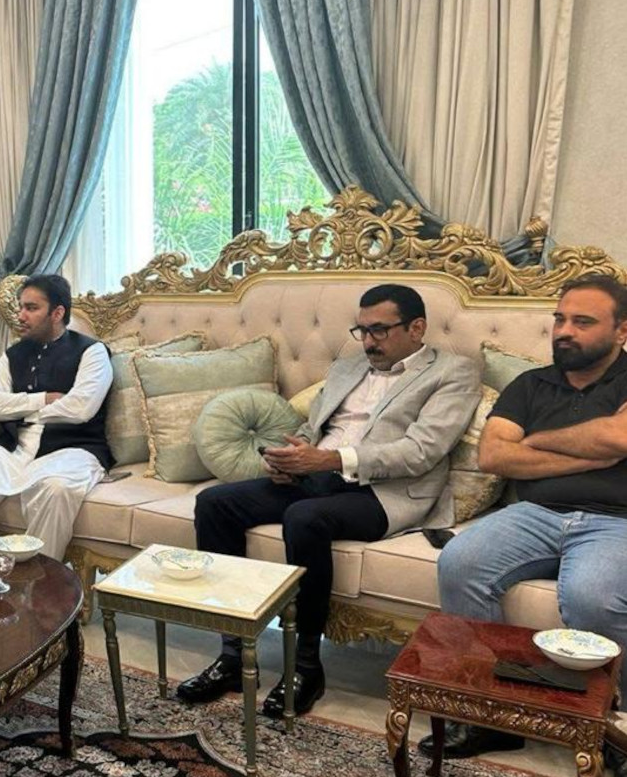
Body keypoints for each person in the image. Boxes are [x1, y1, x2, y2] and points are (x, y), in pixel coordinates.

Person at [176, 284, 479, 718]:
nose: (368, 341)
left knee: (305, 517)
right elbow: (315, 427)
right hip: (317, 475)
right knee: (214, 503)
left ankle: (306, 665)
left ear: (417, 328)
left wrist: (331, 459)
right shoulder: (348, 367)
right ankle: (232, 655)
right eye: (362, 330)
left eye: (379, 330)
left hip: (386, 492)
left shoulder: (452, 372)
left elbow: (422, 451)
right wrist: (291, 457)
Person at [423, 274, 627, 771]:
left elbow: (620, 439)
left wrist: (534, 441)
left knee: (591, 597)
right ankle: (490, 714)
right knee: (460, 562)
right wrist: (592, 450)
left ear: (621, 330)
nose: (565, 331)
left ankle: (613, 723)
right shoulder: (530, 384)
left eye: (583, 322)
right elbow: (494, 455)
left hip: (617, 519)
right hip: (536, 513)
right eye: (560, 319)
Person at [0, 274, 113, 560]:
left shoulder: (92, 352)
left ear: (57, 313)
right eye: (21, 306)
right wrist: (43, 399)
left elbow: (81, 408)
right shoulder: (13, 354)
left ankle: (42, 579)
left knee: (55, 488)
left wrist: (18, 407)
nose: (20, 315)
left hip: (72, 449)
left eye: (31, 308)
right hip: (15, 448)